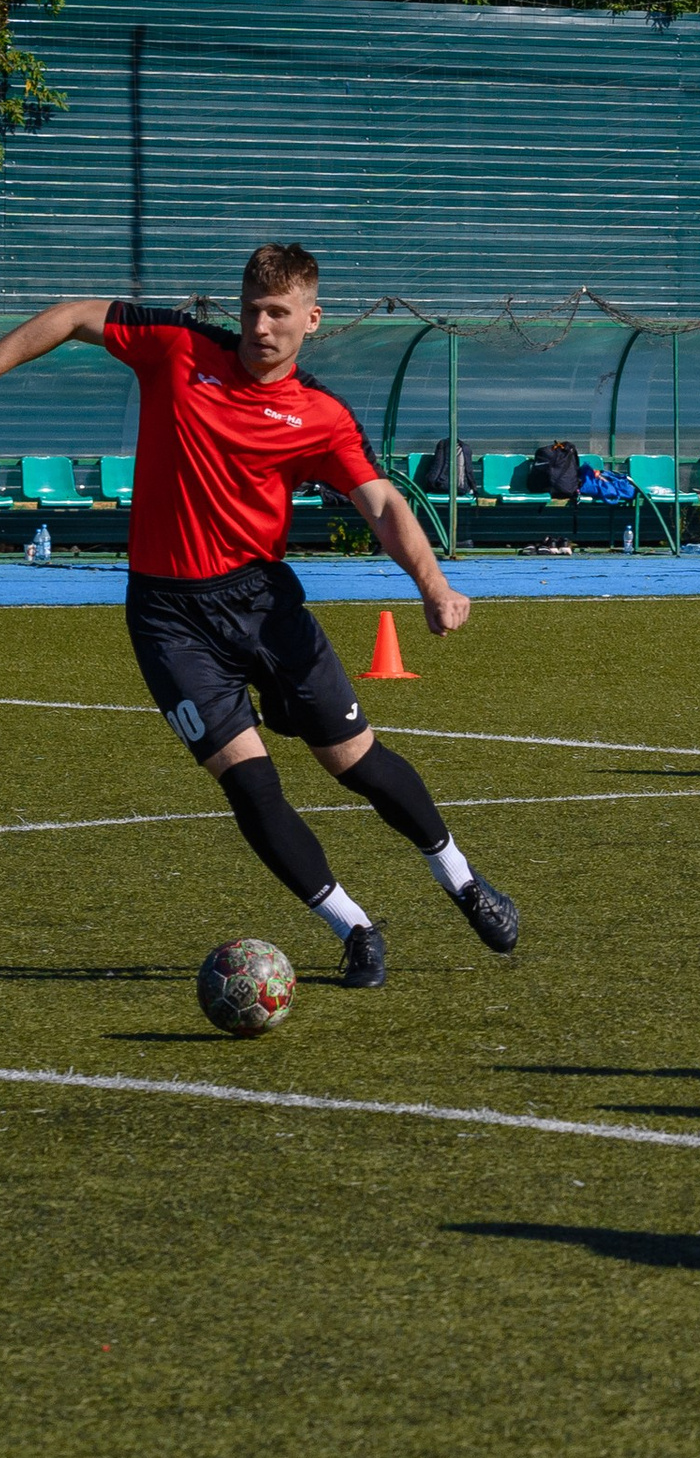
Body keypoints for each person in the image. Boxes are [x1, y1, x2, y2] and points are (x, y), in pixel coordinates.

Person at [0, 243, 515, 985]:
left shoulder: (320, 415)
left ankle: (462, 880)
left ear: (312, 318)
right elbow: (76, 316)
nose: (261, 327)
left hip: (262, 604)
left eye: (278, 313)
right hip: (167, 617)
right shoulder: (177, 348)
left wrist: (433, 585)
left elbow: (380, 502)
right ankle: (355, 928)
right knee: (250, 785)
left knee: (356, 764)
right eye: (251, 310)